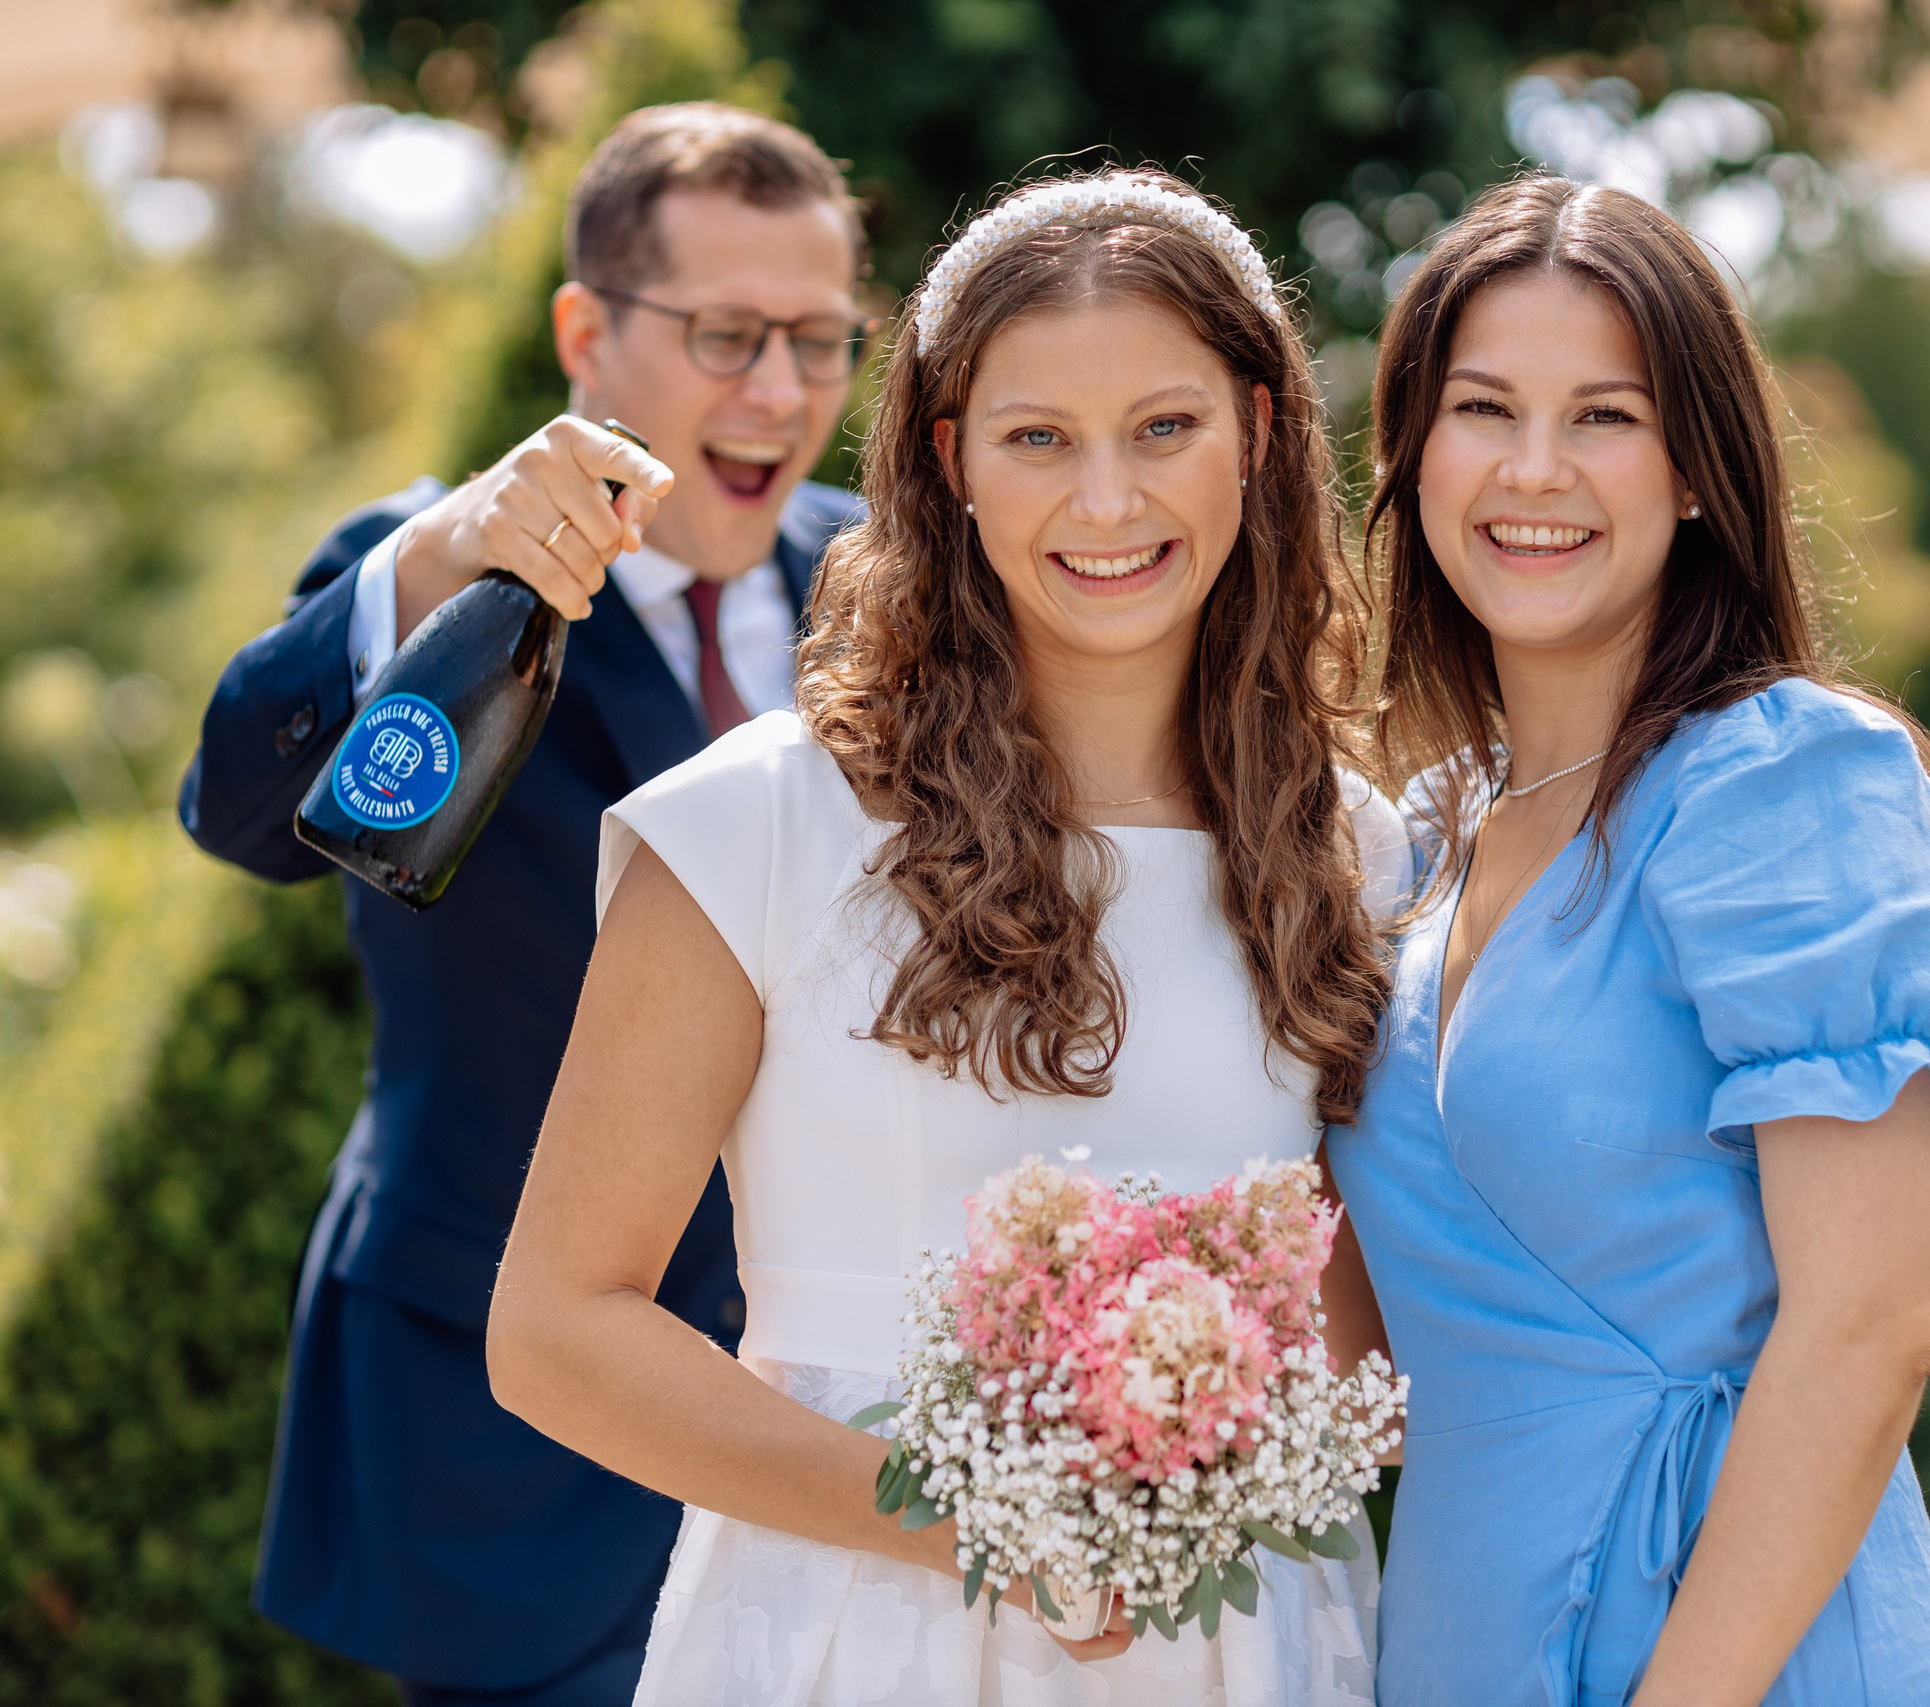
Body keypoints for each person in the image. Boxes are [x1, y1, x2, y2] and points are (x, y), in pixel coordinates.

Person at [486, 169, 1401, 1706]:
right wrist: (974, 1525)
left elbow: (1366, 1326)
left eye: (1164, 429)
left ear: (1255, 434)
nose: (1105, 502)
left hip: (1249, 1647)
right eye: (1038, 436)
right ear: (949, 458)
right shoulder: (762, 824)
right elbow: (557, 1334)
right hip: (851, 1637)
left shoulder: (1355, 854)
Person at [177, 104, 869, 1707]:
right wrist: (439, 562)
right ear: (586, 333)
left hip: (834, 1431)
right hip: (510, 1448)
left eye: (822, 341)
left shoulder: (885, 586)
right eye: (725, 335)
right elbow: (238, 808)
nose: (779, 392)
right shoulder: (431, 585)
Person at [1324, 176, 1930, 1706]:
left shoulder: (1785, 785)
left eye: (1607, 417)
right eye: (1485, 408)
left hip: (1742, 1652)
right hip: (1458, 1631)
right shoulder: (1413, 844)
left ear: (1697, 466)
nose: (1536, 470)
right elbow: (1371, 1347)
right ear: (1413, 453)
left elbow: (1868, 1329)